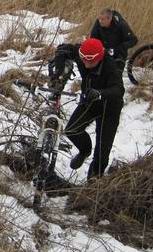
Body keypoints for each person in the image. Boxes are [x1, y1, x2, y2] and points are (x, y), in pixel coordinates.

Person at [48, 37, 124, 179]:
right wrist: (58, 70)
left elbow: (118, 90)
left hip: (109, 108)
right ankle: (84, 151)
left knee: (101, 153)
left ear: (99, 58)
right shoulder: (82, 54)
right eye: (83, 59)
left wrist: (100, 93)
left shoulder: (110, 67)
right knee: (72, 129)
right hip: (89, 101)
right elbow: (62, 49)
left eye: (90, 60)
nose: (86, 63)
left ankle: (93, 182)